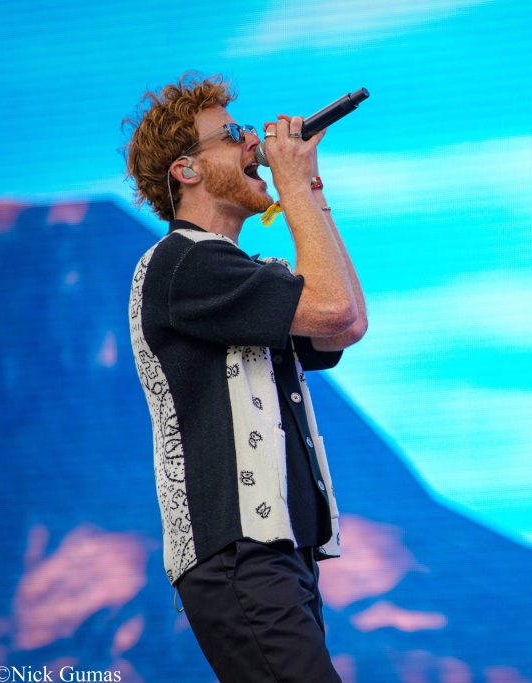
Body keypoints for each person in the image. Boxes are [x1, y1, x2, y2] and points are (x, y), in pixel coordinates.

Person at [123, 73, 366, 682]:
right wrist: (293, 187)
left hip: (278, 553)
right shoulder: (183, 263)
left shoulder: (239, 273)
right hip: (238, 551)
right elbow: (332, 308)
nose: (254, 140)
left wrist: (309, 187)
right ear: (186, 170)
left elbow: (347, 325)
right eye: (233, 134)